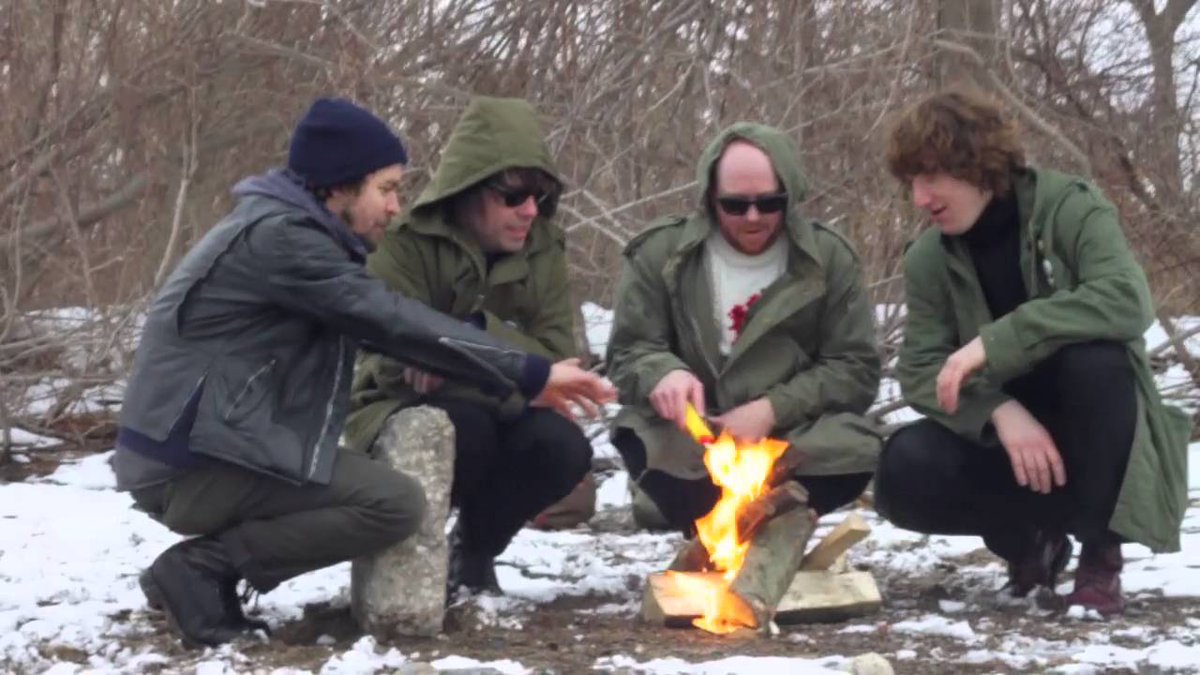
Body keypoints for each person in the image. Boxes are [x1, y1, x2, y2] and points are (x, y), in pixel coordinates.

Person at [113, 97, 614, 647]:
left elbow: (389, 326)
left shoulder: (284, 231)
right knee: (393, 504)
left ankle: (202, 569)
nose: (396, 206)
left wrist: (463, 360)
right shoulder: (285, 243)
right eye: (386, 188)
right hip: (189, 460)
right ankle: (202, 568)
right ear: (340, 187)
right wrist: (528, 372)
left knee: (398, 493)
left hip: (209, 446)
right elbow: (389, 320)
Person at [875, 88, 1192, 616]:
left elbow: (1126, 298)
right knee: (904, 465)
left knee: (1097, 363)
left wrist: (995, 341)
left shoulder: (1069, 207)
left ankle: (1099, 555)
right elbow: (921, 367)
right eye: (912, 183)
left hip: (1095, 434)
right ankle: (1030, 543)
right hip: (1011, 446)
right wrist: (999, 412)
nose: (920, 199)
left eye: (930, 177)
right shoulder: (930, 257)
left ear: (978, 164)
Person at [344, 96, 596, 596]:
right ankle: (413, 555)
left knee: (563, 448)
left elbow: (555, 355)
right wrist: (511, 371)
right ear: (469, 188)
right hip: (399, 411)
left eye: (540, 195)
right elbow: (382, 359)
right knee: (464, 427)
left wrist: (468, 338)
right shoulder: (403, 244)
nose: (530, 210)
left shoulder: (544, 245)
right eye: (514, 195)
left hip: (504, 406)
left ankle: (475, 548)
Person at [605, 122, 882, 540]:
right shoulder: (660, 253)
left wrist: (771, 410)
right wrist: (663, 372)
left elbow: (855, 369)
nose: (753, 217)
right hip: (696, 439)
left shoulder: (829, 258)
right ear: (710, 198)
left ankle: (763, 526)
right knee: (641, 438)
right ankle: (712, 524)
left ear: (789, 196)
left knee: (857, 448)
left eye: (769, 203)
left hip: (789, 437)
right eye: (735, 205)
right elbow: (629, 351)